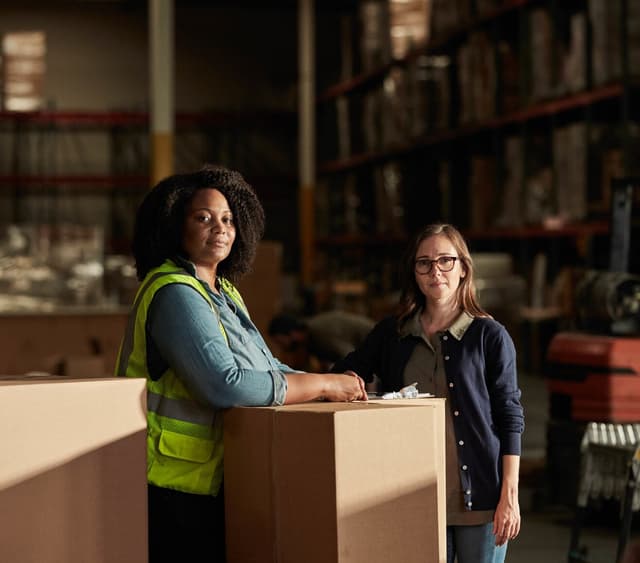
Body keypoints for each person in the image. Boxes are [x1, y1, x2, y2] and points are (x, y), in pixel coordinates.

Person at [114, 164, 367, 562]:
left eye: (229, 218)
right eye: (204, 217)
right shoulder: (174, 292)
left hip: (214, 478)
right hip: (172, 485)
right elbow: (226, 384)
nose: (221, 228)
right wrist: (322, 386)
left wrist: (334, 384)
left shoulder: (222, 290)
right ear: (174, 224)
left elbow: (264, 365)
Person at [332, 222, 524, 563]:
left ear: (463, 268)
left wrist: (509, 494)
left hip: (479, 498)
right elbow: (345, 374)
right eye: (424, 263)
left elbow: (509, 414)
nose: (435, 270)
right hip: (410, 497)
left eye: (445, 261)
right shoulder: (392, 334)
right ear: (414, 272)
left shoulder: (488, 336)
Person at [267, 310, 375, 372]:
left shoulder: (321, 333)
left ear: (293, 333)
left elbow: (351, 357)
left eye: (281, 342)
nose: (282, 347)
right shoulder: (310, 339)